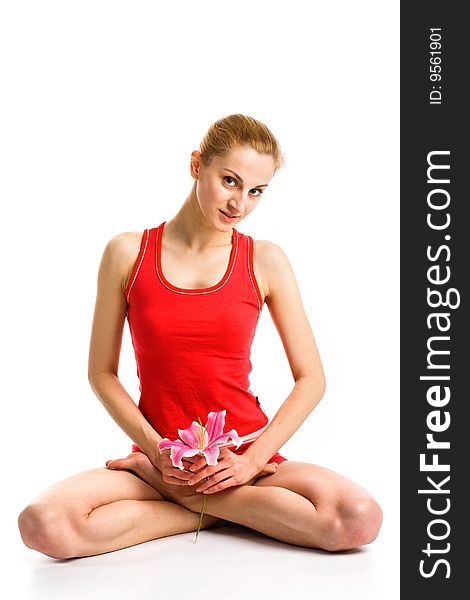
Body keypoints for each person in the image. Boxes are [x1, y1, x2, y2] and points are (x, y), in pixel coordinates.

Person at [18, 114, 383, 559]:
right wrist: (157, 454)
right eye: (230, 181)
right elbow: (101, 373)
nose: (240, 204)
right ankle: (214, 509)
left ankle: (198, 504)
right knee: (44, 524)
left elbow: (312, 379)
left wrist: (249, 462)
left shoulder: (265, 260)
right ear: (196, 165)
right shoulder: (127, 253)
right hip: (158, 464)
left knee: (358, 518)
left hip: (245, 457)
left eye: (256, 192)